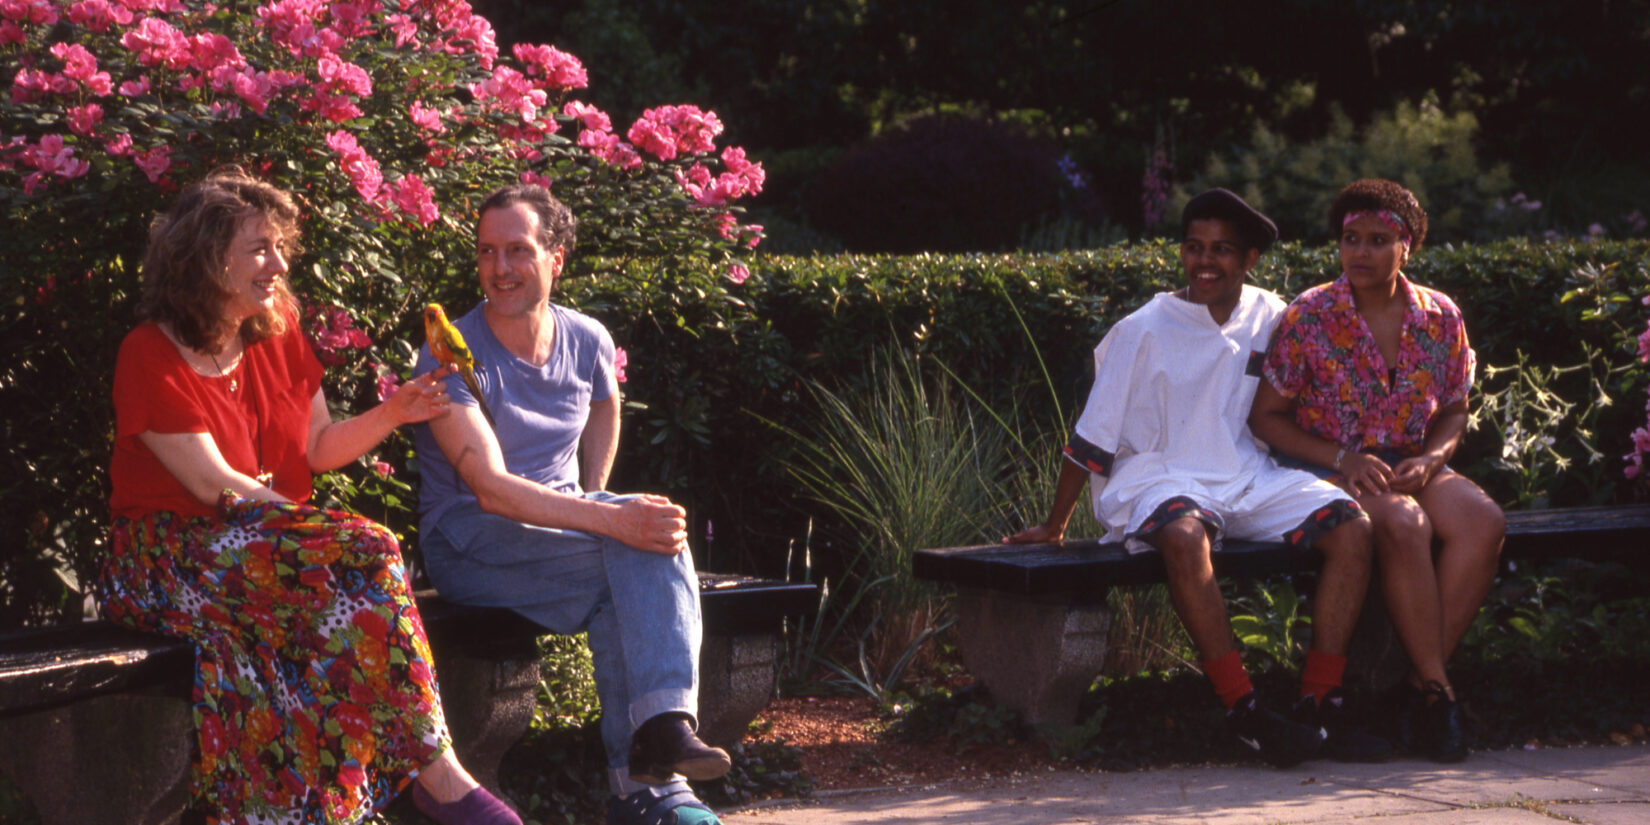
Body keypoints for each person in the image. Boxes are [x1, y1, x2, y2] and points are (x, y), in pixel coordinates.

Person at [101, 168, 520, 824]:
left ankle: (319, 810)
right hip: (169, 556)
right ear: (206, 259)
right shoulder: (147, 353)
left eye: (279, 246)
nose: (280, 263)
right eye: (260, 248)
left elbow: (317, 446)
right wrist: (321, 543)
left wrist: (392, 412)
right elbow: (217, 486)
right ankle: (434, 771)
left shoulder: (278, 329)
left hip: (264, 548)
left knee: (298, 650)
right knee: (366, 549)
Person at [1004, 188, 1389, 766]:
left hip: (1247, 474)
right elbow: (1091, 438)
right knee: (1186, 537)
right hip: (1158, 477)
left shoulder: (1270, 312)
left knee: (1352, 526)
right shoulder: (1143, 328)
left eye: (1223, 250)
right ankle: (1245, 711)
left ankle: (1317, 706)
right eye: (1193, 247)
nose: (1205, 262)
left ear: (1250, 260)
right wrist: (1055, 525)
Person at [413, 183, 729, 825]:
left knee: (644, 548)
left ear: (557, 258)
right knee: (638, 540)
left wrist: (594, 490)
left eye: (518, 251)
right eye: (486, 252)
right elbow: (492, 490)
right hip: (469, 540)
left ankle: (649, 771)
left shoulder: (586, 338)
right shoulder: (449, 355)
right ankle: (652, 773)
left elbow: (603, 402)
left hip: (556, 531)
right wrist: (607, 514)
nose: (499, 269)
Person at [1249, 178, 1505, 762]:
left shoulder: (1440, 316)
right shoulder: (1310, 317)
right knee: (1405, 524)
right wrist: (1345, 459)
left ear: (1406, 246)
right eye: (1350, 239)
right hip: (1329, 467)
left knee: (1483, 521)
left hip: (1410, 462)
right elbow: (1266, 418)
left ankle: (1415, 686)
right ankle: (1439, 698)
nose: (1360, 252)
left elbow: (1455, 408)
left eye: (1377, 239)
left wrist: (1433, 457)